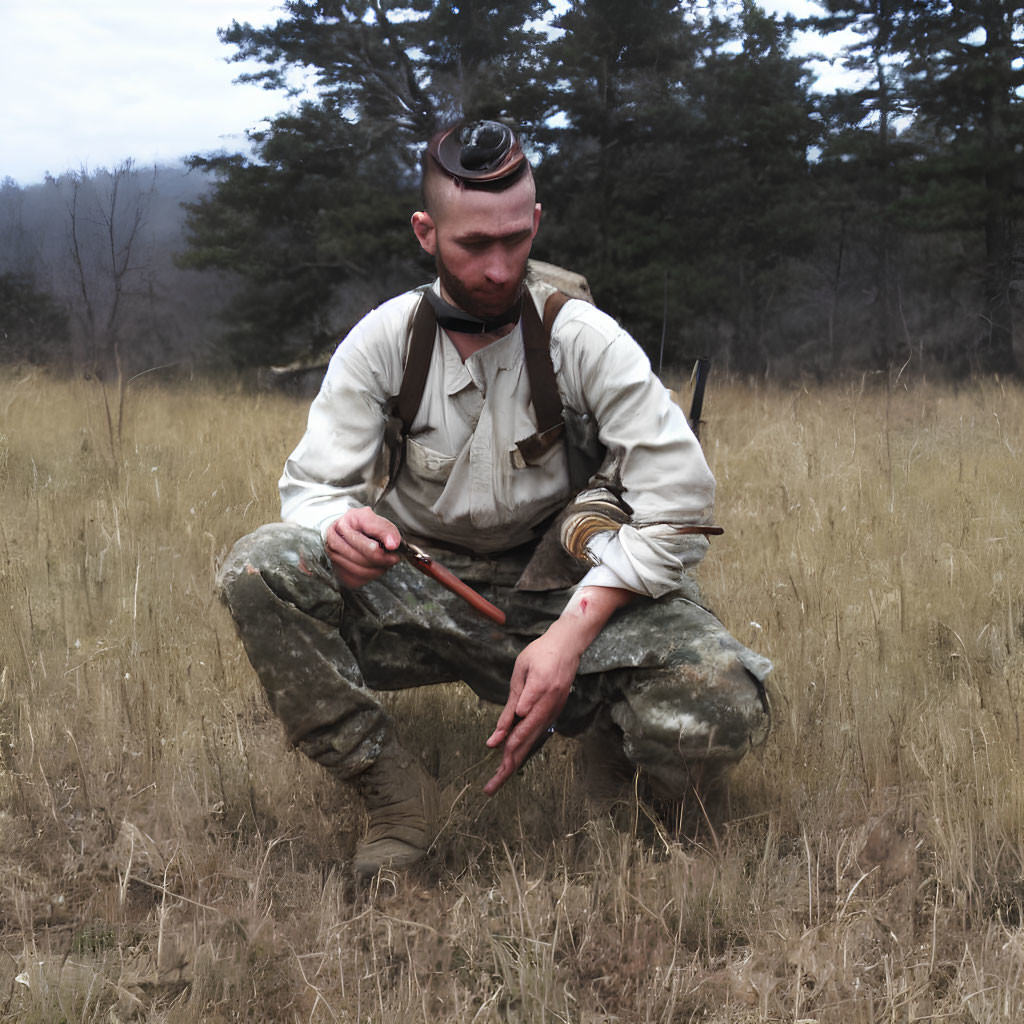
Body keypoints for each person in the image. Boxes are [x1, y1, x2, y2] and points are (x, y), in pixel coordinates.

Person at [218, 120, 771, 881]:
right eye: (474, 244)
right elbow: (311, 491)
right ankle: (391, 794)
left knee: (720, 696)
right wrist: (339, 527)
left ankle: (627, 785)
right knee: (260, 569)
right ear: (426, 232)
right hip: (420, 587)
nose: (499, 265)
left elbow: (679, 503)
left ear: (536, 221)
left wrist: (569, 639)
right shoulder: (385, 340)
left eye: (515, 238)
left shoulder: (585, 340)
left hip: (571, 582)